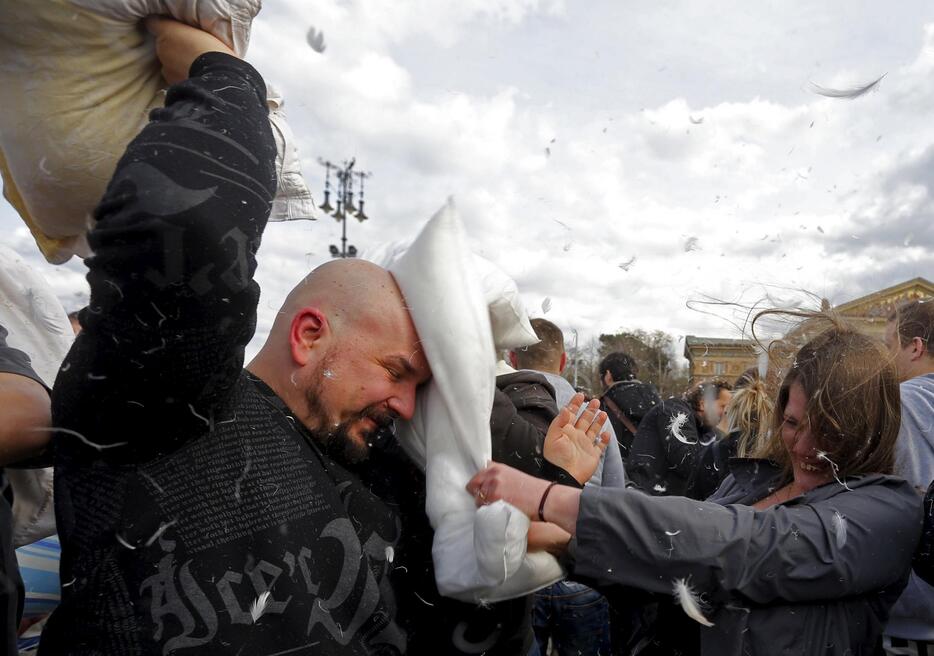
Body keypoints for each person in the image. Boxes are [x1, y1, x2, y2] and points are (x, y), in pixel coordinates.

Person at [44, 19, 439, 654]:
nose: (407, 406)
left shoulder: (375, 471)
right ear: (309, 335)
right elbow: (188, 229)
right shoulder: (174, 409)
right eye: (396, 371)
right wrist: (228, 77)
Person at [468, 315, 922, 656]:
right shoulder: (755, 479)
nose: (803, 445)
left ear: (870, 429)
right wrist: (562, 541)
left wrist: (552, 498)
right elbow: (672, 574)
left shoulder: (888, 512)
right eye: (792, 422)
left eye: (830, 432)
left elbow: (743, 547)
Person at [509, 318, 620, 656]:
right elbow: (617, 496)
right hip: (581, 570)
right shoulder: (592, 414)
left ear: (513, 358)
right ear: (562, 361)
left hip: (518, 574)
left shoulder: (496, 406)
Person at [883, 299, 934, 654]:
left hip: (906, 624)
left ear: (915, 346)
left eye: (889, 347)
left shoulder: (888, 405)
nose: (885, 360)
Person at [627, 379, 732, 498]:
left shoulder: (705, 430)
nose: (726, 412)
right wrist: (725, 432)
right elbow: (689, 463)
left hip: (664, 501)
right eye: (723, 406)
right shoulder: (675, 412)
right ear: (703, 404)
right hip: (649, 500)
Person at [597, 352, 660, 459]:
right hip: (655, 471)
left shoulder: (603, 408)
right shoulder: (658, 401)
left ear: (608, 376)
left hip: (620, 473)